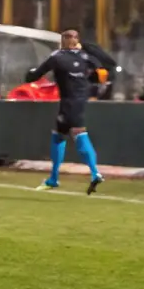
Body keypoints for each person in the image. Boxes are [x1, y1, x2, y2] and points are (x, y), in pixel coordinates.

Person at [25, 28, 103, 193]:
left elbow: (36, 75)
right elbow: (102, 72)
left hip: (69, 101)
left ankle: (94, 172)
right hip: (80, 100)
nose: (69, 39)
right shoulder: (86, 57)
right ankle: (54, 178)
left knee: (77, 132)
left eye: (69, 37)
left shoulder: (57, 57)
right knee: (59, 135)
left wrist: (30, 74)